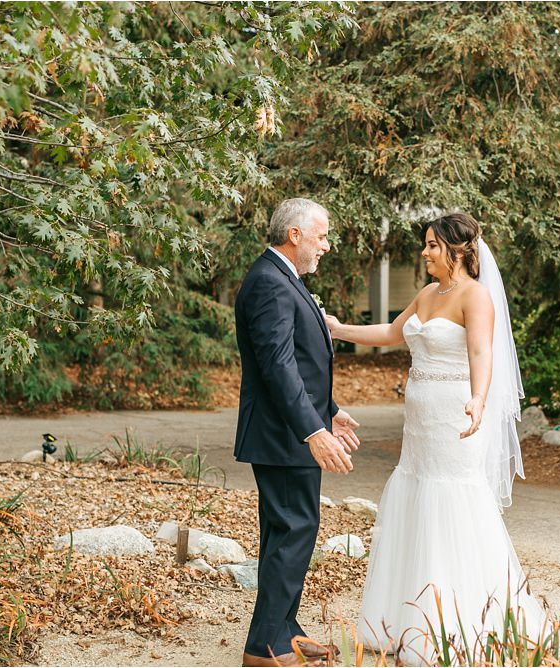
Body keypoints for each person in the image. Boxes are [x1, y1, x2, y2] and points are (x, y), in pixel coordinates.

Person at [325, 212, 544, 664]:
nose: (424, 252)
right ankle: (404, 619)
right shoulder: (427, 294)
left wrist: (479, 399)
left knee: (452, 503)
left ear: (459, 251)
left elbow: (482, 351)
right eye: (425, 244)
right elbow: (390, 332)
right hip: (419, 423)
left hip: (454, 418)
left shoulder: (475, 296)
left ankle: (454, 623)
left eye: (432, 245)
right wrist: (338, 328)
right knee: (417, 495)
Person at [233, 198, 360, 667]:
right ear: (296, 235)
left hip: (290, 431)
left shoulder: (282, 278)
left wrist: (330, 412)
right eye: (322, 236)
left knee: (287, 534)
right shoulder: (271, 281)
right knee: (293, 531)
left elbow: (301, 363)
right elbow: (277, 366)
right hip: (283, 436)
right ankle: (264, 648)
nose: (326, 246)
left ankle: (286, 630)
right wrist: (312, 431)